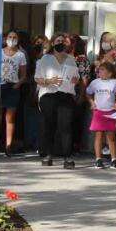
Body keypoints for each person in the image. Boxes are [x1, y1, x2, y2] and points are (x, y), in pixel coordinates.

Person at [35, 39, 81, 169]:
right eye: (58, 40)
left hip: (66, 95)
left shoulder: (71, 59)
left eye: (63, 41)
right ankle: (48, 154)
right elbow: (37, 78)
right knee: (49, 125)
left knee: (65, 125)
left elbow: (76, 78)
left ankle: (67, 156)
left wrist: (75, 80)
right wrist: (49, 81)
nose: (61, 43)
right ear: (53, 43)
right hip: (49, 95)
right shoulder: (45, 59)